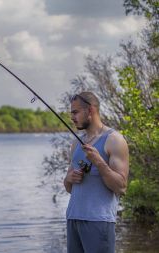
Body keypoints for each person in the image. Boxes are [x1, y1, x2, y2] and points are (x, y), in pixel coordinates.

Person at [64, 92, 129, 253]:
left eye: (75, 112)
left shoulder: (114, 140)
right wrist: (69, 178)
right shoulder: (76, 143)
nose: (72, 117)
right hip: (73, 219)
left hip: (99, 221)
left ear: (91, 110)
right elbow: (69, 188)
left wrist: (99, 161)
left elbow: (121, 186)